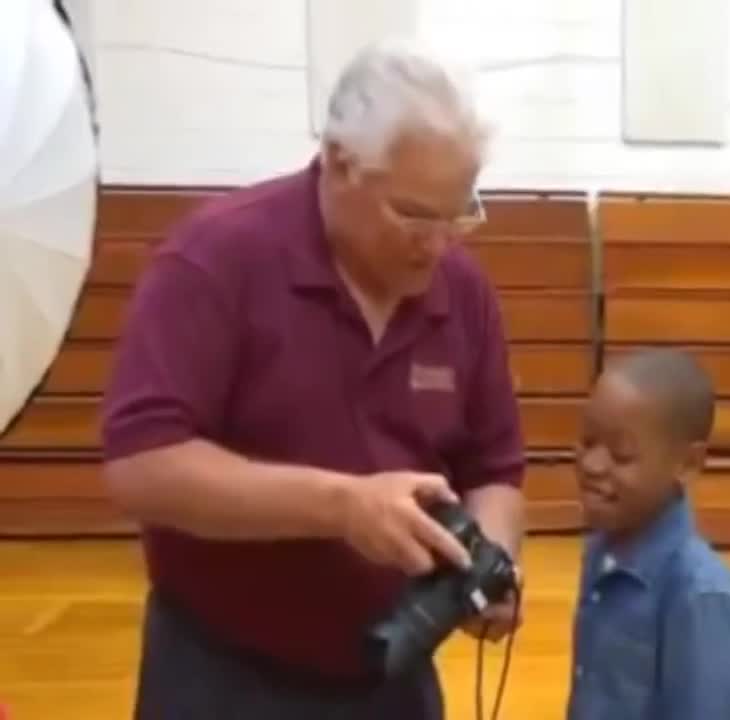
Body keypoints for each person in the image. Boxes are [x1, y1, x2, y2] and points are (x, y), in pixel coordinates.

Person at [99, 39, 526, 719]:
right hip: (223, 675)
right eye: (415, 215)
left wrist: (490, 563)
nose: (439, 244)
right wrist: (342, 506)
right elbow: (142, 465)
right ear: (338, 163)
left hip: (395, 670)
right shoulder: (215, 259)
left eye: (459, 214)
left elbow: (493, 468)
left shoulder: (465, 293)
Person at [565, 348, 730, 720]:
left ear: (686, 464)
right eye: (588, 442)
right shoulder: (599, 553)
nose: (591, 464)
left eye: (621, 455)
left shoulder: (702, 596)